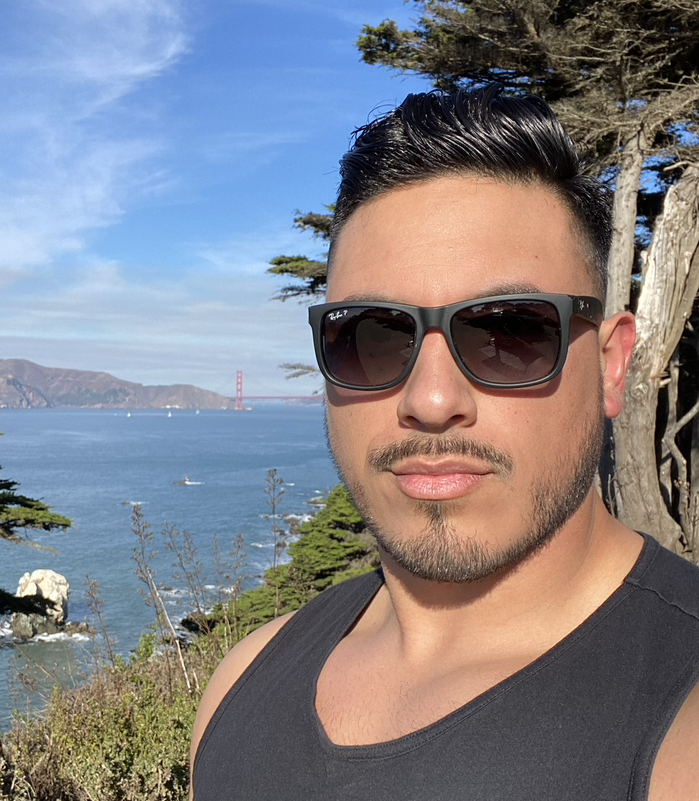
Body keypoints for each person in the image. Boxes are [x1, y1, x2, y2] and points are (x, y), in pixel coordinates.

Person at [190, 84, 699, 800]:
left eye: (510, 332)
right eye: (372, 336)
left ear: (611, 367)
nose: (431, 402)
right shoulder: (240, 685)